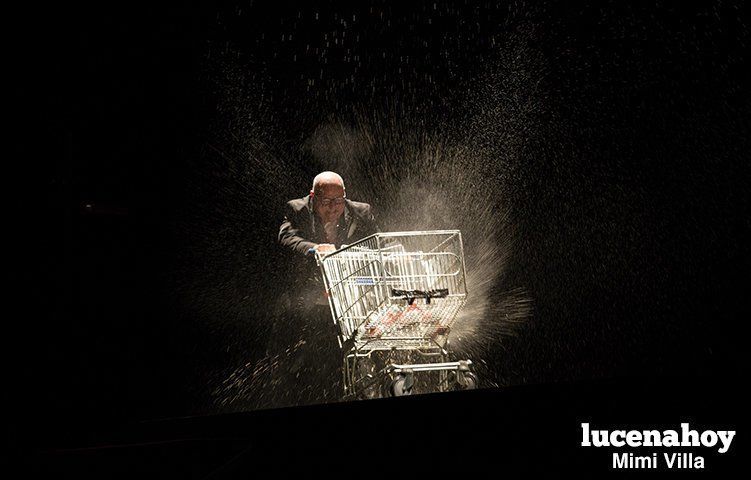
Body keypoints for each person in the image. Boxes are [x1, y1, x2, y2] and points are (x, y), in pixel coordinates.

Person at [276, 171, 379, 403]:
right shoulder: (297, 209)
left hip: (349, 298)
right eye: (326, 202)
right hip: (310, 299)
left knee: (352, 359)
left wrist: (398, 249)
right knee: (309, 361)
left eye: (338, 200)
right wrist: (315, 248)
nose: (333, 208)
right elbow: (287, 237)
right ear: (313, 197)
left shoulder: (360, 211)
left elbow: (378, 240)